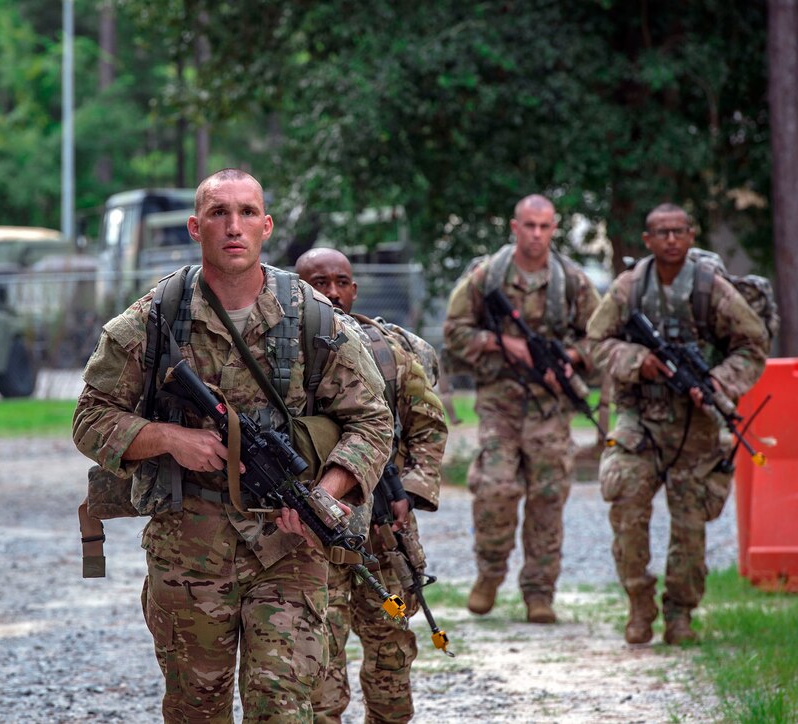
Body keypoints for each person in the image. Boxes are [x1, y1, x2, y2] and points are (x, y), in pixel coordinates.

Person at [72, 169, 393, 721]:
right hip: (190, 550)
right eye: (219, 213)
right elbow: (90, 418)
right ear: (197, 227)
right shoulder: (156, 318)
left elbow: (372, 420)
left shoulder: (314, 317)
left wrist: (328, 493)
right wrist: (168, 439)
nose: (233, 226)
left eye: (247, 213)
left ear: (266, 227)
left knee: (283, 707)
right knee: (197, 710)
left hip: (289, 549)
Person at [587, 204, 768, 645]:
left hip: (697, 425)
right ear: (647, 241)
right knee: (627, 511)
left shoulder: (713, 289)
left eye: (679, 231)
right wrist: (637, 361)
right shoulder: (630, 288)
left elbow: (753, 345)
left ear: (691, 236)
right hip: (640, 422)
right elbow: (596, 341)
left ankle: (680, 614)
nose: (671, 239)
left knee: (689, 526)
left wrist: (714, 381)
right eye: (661, 233)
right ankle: (639, 604)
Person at [296, 248, 447, 724]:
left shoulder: (389, 349)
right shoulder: (280, 356)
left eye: (341, 282)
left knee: (392, 650)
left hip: (384, 528)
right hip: (315, 531)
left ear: (354, 289)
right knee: (319, 655)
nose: (332, 293)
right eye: (319, 283)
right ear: (296, 291)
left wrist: (414, 491)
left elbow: (429, 426)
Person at [443, 194, 600, 624]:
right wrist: (502, 343)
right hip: (500, 404)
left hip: (550, 408)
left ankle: (539, 593)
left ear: (554, 229)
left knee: (548, 498)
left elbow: (602, 336)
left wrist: (568, 359)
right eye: (528, 225)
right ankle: (489, 575)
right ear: (515, 228)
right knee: (494, 488)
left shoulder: (571, 281)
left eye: (544, 226)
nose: (536, 234)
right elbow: (454, 330)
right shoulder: (487, 276)